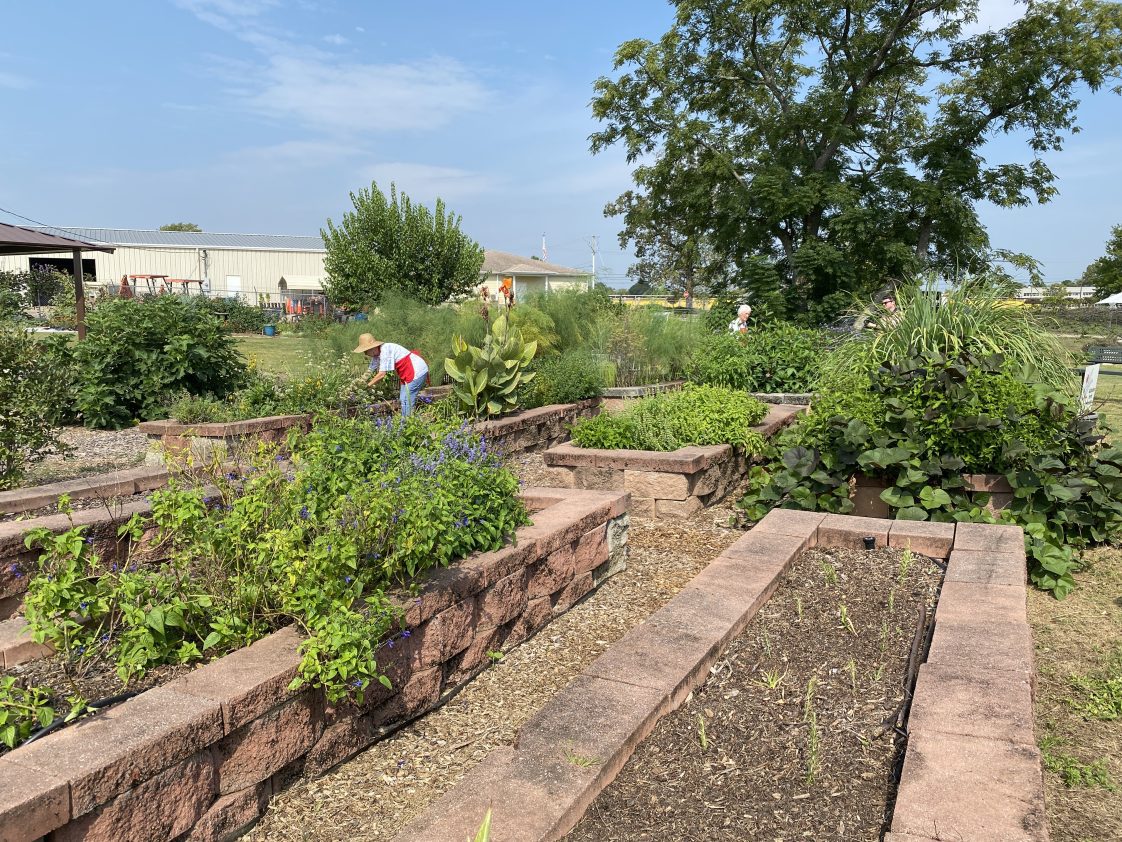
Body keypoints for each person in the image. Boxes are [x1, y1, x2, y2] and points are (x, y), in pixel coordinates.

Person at [353, 334, 429, 417]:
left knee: (407, 400)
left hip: (416, 371)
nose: (365, 354)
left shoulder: (385, 350)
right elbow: (370, 370)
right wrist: (358, 383)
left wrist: (367, 386)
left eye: (365, 351)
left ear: (372, 348)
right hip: (407, 373)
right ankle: (406, 422)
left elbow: (382, 374)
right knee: (403, 399)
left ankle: (408, 423)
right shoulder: (377, 355)